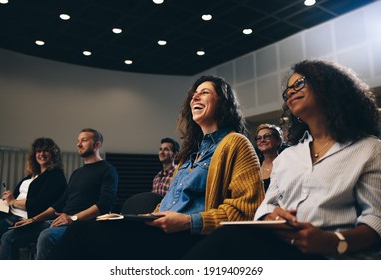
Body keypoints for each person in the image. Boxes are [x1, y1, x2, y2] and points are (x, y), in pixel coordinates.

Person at [49, 75, 265, 260]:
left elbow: (247, 211)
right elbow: (169, 203)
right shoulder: (189, 154)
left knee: (82, 234)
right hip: (162, 230)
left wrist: (189, 222)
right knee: (87, 230)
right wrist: (142, 218)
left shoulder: (236, 143)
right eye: (194, 94)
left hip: (190, 237)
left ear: (223, 102)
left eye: (205, 92)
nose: (195, 97)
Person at [184, 59, 381, 260]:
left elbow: (376, 219)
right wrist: (272, 216)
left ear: (329, 86)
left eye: (299, 84)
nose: (291, 93)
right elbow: (266, 206)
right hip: (284, 247)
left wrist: (331, 241)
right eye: (287, 91)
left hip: (334, 256)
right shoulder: (288, 156)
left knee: (230, 239)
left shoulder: (369, 148)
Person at [0, 128, 119, 259]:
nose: (78, 144)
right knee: (9, 237)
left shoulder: (107, 170)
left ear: (97, 145)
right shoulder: (77, 173)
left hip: (82, 224)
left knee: (47, 236)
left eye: (84, 140)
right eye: (78, 141)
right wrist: (33, 220)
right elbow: (60, 203)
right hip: (60, 221)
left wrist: (72, 218)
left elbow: (105, 204)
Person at [0, 138, 66, 252]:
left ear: (53, 154)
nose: (41, 154)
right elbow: (15, 197)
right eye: (38, 151)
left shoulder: (56, 176)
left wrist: (13, 202)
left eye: (46, 151)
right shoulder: (31, 176)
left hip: (27, 217)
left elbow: (39, 204)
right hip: (11, 211)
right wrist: (8, 198)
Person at [254, 123, 285, 191]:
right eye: (259, 138)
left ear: (278, 141)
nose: (262, 140)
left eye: (267, 136)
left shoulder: (287, 163)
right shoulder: (255, 167)